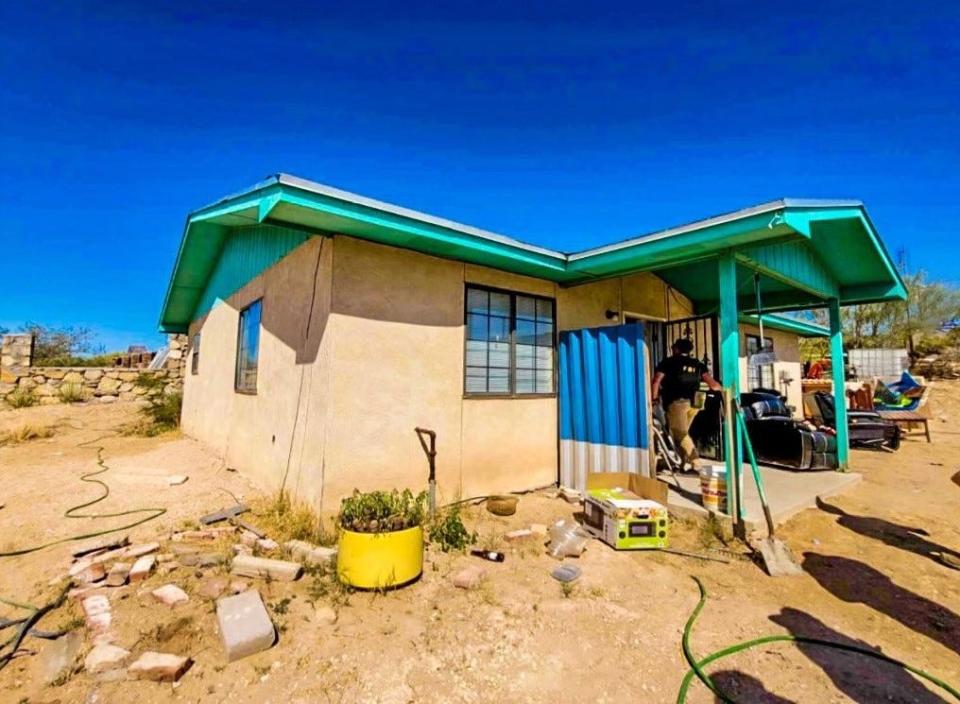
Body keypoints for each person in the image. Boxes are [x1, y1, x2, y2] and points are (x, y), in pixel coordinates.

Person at [651, 338, 722, 466]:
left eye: (673, 347)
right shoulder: (697, 363)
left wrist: (654, 399)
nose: (672, 349)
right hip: (696, 403)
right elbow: (713, 385)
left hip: (677, 402)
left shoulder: (668, 362)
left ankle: (696, 463)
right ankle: (683, 464)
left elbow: (656, 381)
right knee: (683, 434)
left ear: (677, 348)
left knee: (680, 434)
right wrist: (724, 390)